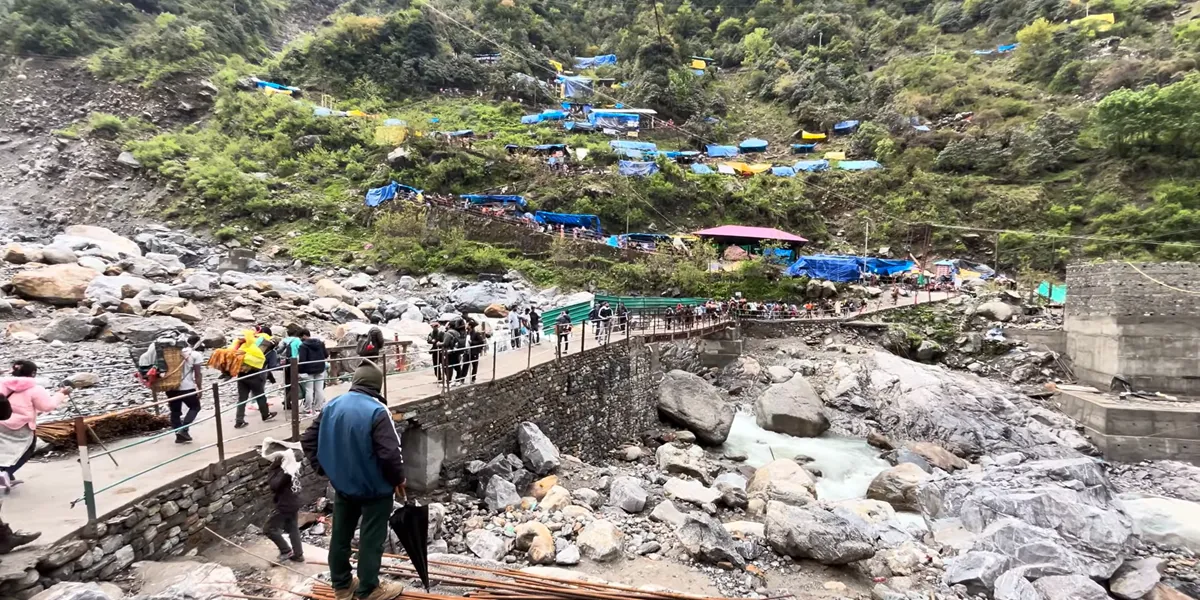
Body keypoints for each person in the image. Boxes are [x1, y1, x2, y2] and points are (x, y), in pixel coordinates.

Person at [301, 366, 405, 600]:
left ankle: (341, 585)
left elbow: (308, 439)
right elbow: (391, 453)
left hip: (343, 487)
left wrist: (326, 470)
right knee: (371, 538)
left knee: (340, 534)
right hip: (375, 490)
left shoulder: (332, 405)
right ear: (377, 385)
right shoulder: (378, 410)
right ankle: (368, 589)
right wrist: (399, 479)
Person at [0, 360, 68, 490]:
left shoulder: (2, 383)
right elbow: (47, 406)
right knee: (27, 449)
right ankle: (5, 474)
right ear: (33, 373)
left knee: (3, 448)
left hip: (1, 422)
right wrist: (60, 395)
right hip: (20, 426)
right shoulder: (35, 389)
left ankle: (7, 474)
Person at [262, 439, 305, 563]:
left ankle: (286, 550)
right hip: (294, 501)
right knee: (292, 528)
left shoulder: (286, 469)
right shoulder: (294, 466)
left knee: (269, 529)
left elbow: (274, 485)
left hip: (284, 504)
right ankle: (298, 554)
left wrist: (277, 470)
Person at [234, 331, 279, 429]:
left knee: (242, 398)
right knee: (260, 396)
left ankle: (239, 420)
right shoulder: (272, 352)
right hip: (256, 375)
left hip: (242, 374)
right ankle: (265, 415)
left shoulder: (251, 347)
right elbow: (273, 366)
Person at [167, 335, 205, 444]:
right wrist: (199, 388)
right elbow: (198, 374)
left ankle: (179, 435)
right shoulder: (195, 354)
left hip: (170, 386)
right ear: (197, 343)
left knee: (175, 411)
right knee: (195, 407)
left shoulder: (173, 353)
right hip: (187, 387)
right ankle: (184, 430)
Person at [297, 329, 329, 414]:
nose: (300, 339)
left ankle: (308, 409)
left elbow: (302, 360)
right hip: (320, 368)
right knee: (319, 389)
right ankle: (319, 407)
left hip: (309, 370)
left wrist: (299, 371)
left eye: (300, 337)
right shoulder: (320, 343)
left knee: (309, 390)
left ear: (304, 335)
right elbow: (326, 355)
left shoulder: (303, 346)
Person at [442, 320, 465, 386]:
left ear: (449, 326)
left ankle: (449, 381)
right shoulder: (457, 332)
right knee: (457, 365)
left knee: (447, 366)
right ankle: (458, 379)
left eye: (447, 325)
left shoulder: (448, 333)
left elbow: (445, 343)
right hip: (456, 351)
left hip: (450, 352)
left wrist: (439, 344)